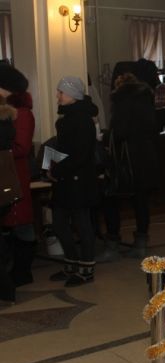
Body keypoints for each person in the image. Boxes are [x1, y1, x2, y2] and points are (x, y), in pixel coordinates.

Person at [96, 72, 159, 262]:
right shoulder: (147, 98)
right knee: (141, 202)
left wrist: (105, 136)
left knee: (111, 200)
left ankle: (112, 244)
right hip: (146, 158)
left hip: (126, 161)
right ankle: (141, 243)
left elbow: (120, 131)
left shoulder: (122, 98)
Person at [47, 77, 99, 286]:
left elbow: (80, 154)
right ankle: (71, 263)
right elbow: (62, 148)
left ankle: (86, 269)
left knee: (82, 224)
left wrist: (57, 169)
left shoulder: (83, 120)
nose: (57, 96)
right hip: (64, 179)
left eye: (61, 92)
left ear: (72, 94)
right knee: (59, 223)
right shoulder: (66, 119)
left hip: (79, 180)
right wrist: (49, 166)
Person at [0, 63, 36, 301]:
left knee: (21, 225)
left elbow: (21, 147)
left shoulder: (21, 113)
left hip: (14, 174)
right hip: (8, 173)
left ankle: (23, 272)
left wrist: (4, 150)